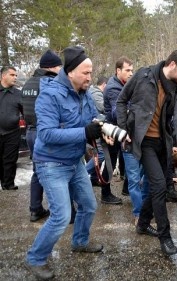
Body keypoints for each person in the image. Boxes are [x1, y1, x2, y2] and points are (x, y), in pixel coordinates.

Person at [25, 46, 107, 280]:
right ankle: (35, 258)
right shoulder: (50, 95)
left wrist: (103, 128)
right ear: (70, 72)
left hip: (75, 161)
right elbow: (47, 134)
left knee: (89, 206)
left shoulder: (85, 93)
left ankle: (79, 242)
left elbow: (95, 118)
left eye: (91, 73)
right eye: (85, 73)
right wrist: (85, 132)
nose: (90, 78)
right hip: (51, 164)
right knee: (61, 216)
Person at [116, 48, 177, 255]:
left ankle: (142, 223)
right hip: (143, 142)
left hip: (163, 142)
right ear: (172, 64)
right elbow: (121, 101)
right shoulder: (143, 75)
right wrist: (123, 129)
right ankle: (165, 236)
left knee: (153, 187)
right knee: (160, 187)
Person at [21, 50, 62, 222]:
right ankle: (61, 212)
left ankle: (35, 209)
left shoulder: (28, 83)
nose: (61, 70)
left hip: (30, 132)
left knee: (37, 171)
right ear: (52, 67)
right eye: (59, 66)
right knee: (56, 171)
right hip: (45, 133)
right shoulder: (50, 82)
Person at [101, 56, 134, 204]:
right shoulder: (114, 87)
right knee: (110, 162)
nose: (130, 73)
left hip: (122, 129)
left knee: (127, 159)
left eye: (132, 70)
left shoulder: (125, 84)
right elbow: (117, 112)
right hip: (112, 130)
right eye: (127, 70)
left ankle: (126, 188)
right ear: (118, 70)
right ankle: (105, 194)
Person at [0, 66, 23, 190]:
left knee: (10, 160)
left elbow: (25, 111)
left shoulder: (18, 94)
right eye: (12, 75)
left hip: (13, 132)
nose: (15, 77)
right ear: (3, 76)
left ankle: (8, 184)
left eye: (16, 75)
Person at [85, 76, 108, 187]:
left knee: (96, 154)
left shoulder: (92, 93)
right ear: (104, 85)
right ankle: (84, 174)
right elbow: (103, 108)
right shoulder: (96, 94)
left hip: (94, 128)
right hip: (93, 129)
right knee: (101, 155)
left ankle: (94, 178)